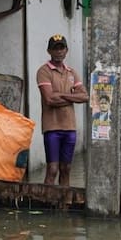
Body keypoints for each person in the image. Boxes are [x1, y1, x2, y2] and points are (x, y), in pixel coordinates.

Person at [35, 34, 89, 186]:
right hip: (52, 127)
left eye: (61, 48)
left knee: (66, 168)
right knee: (52, 169)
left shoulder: (71, 72)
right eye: (55, 49)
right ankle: (47, 202)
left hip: (69, 127)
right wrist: (72, 96)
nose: (59, 52)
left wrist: (62, 95)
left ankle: (63, 203)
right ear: (49, 51)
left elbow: (85, 96)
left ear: (66, 50)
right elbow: (49, 99)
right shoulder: (44, 71)